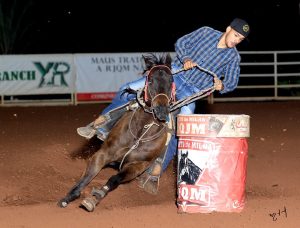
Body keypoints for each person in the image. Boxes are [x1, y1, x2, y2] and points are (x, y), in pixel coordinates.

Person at [77, 17, 250, 191]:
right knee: (127, 88)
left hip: (192, 91)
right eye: (235, 35)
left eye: (240, 39)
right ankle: (101, 125)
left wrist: (222, 85)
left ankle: (154, 173)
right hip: (174, 75)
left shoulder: (233, 58)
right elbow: (182, 43)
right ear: (228, 29)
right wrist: (186, 58)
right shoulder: (206, 32)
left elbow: (233, 81)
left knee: (182, 128)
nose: (236, 40)